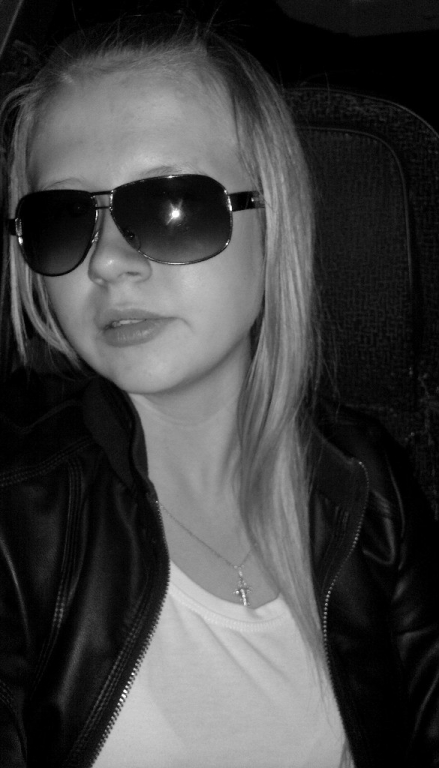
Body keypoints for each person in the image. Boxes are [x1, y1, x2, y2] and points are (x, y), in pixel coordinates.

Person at [1, 14, 438, 768]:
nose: (107, 262)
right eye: (65, 217)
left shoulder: (372, 486)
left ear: (276, 220)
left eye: (170, 206)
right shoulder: (16, 515)